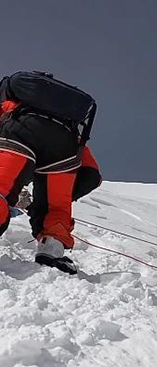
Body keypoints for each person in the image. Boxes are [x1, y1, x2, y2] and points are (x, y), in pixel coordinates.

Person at [0, 71, 101, 274]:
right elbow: (91, 175)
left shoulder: (13, 97)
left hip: (21, 131)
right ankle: (52, 250)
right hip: (66, 148)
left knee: (1, 186)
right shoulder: (66, 118)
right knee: (56, 207)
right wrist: (43, 202)